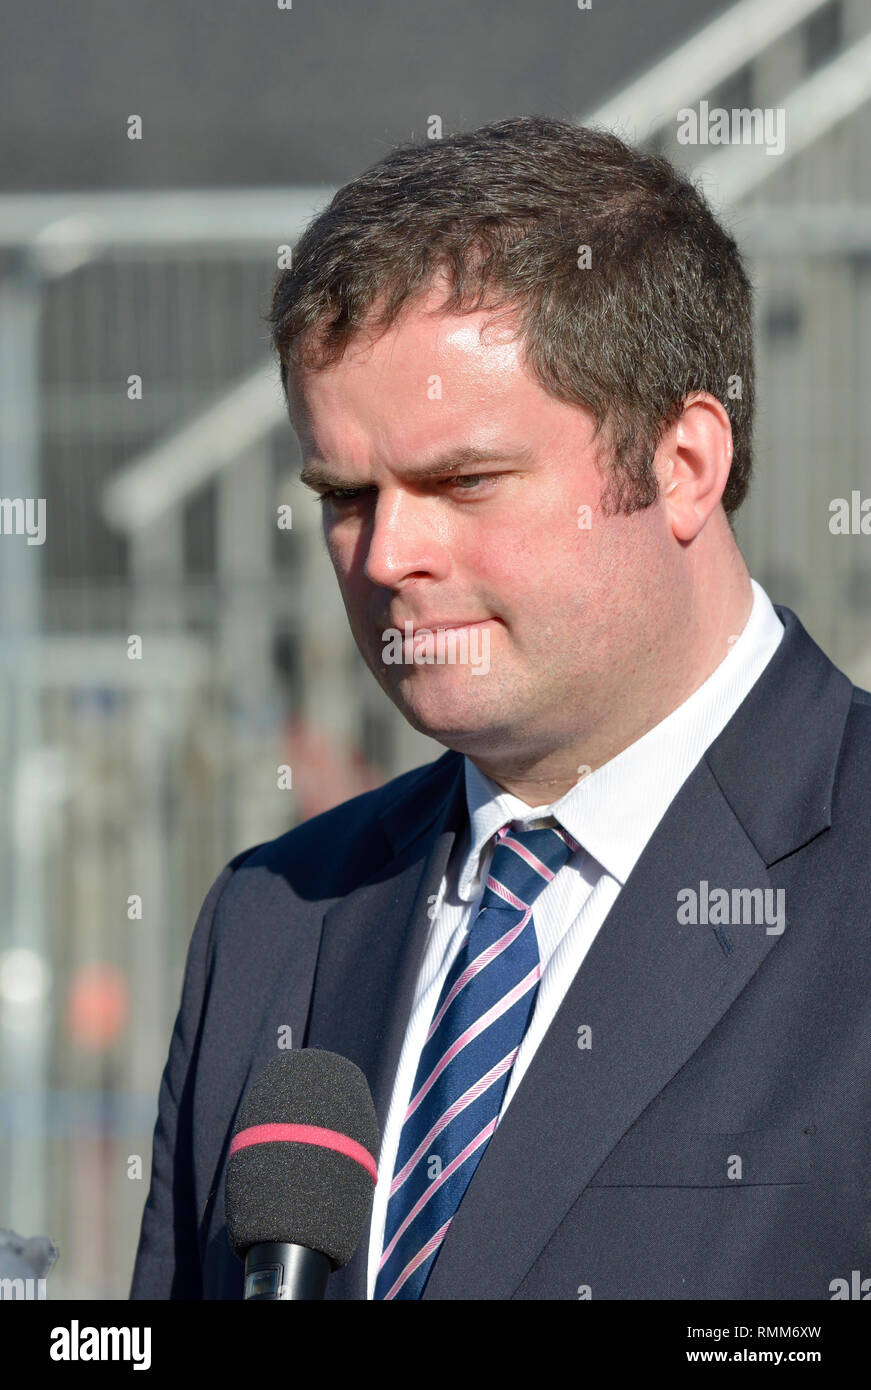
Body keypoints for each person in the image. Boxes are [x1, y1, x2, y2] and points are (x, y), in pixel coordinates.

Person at [130, 115, 871, 1301]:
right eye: (343, 494)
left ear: (683, 463)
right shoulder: (275, 922)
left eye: (462, 480)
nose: (388, 553)